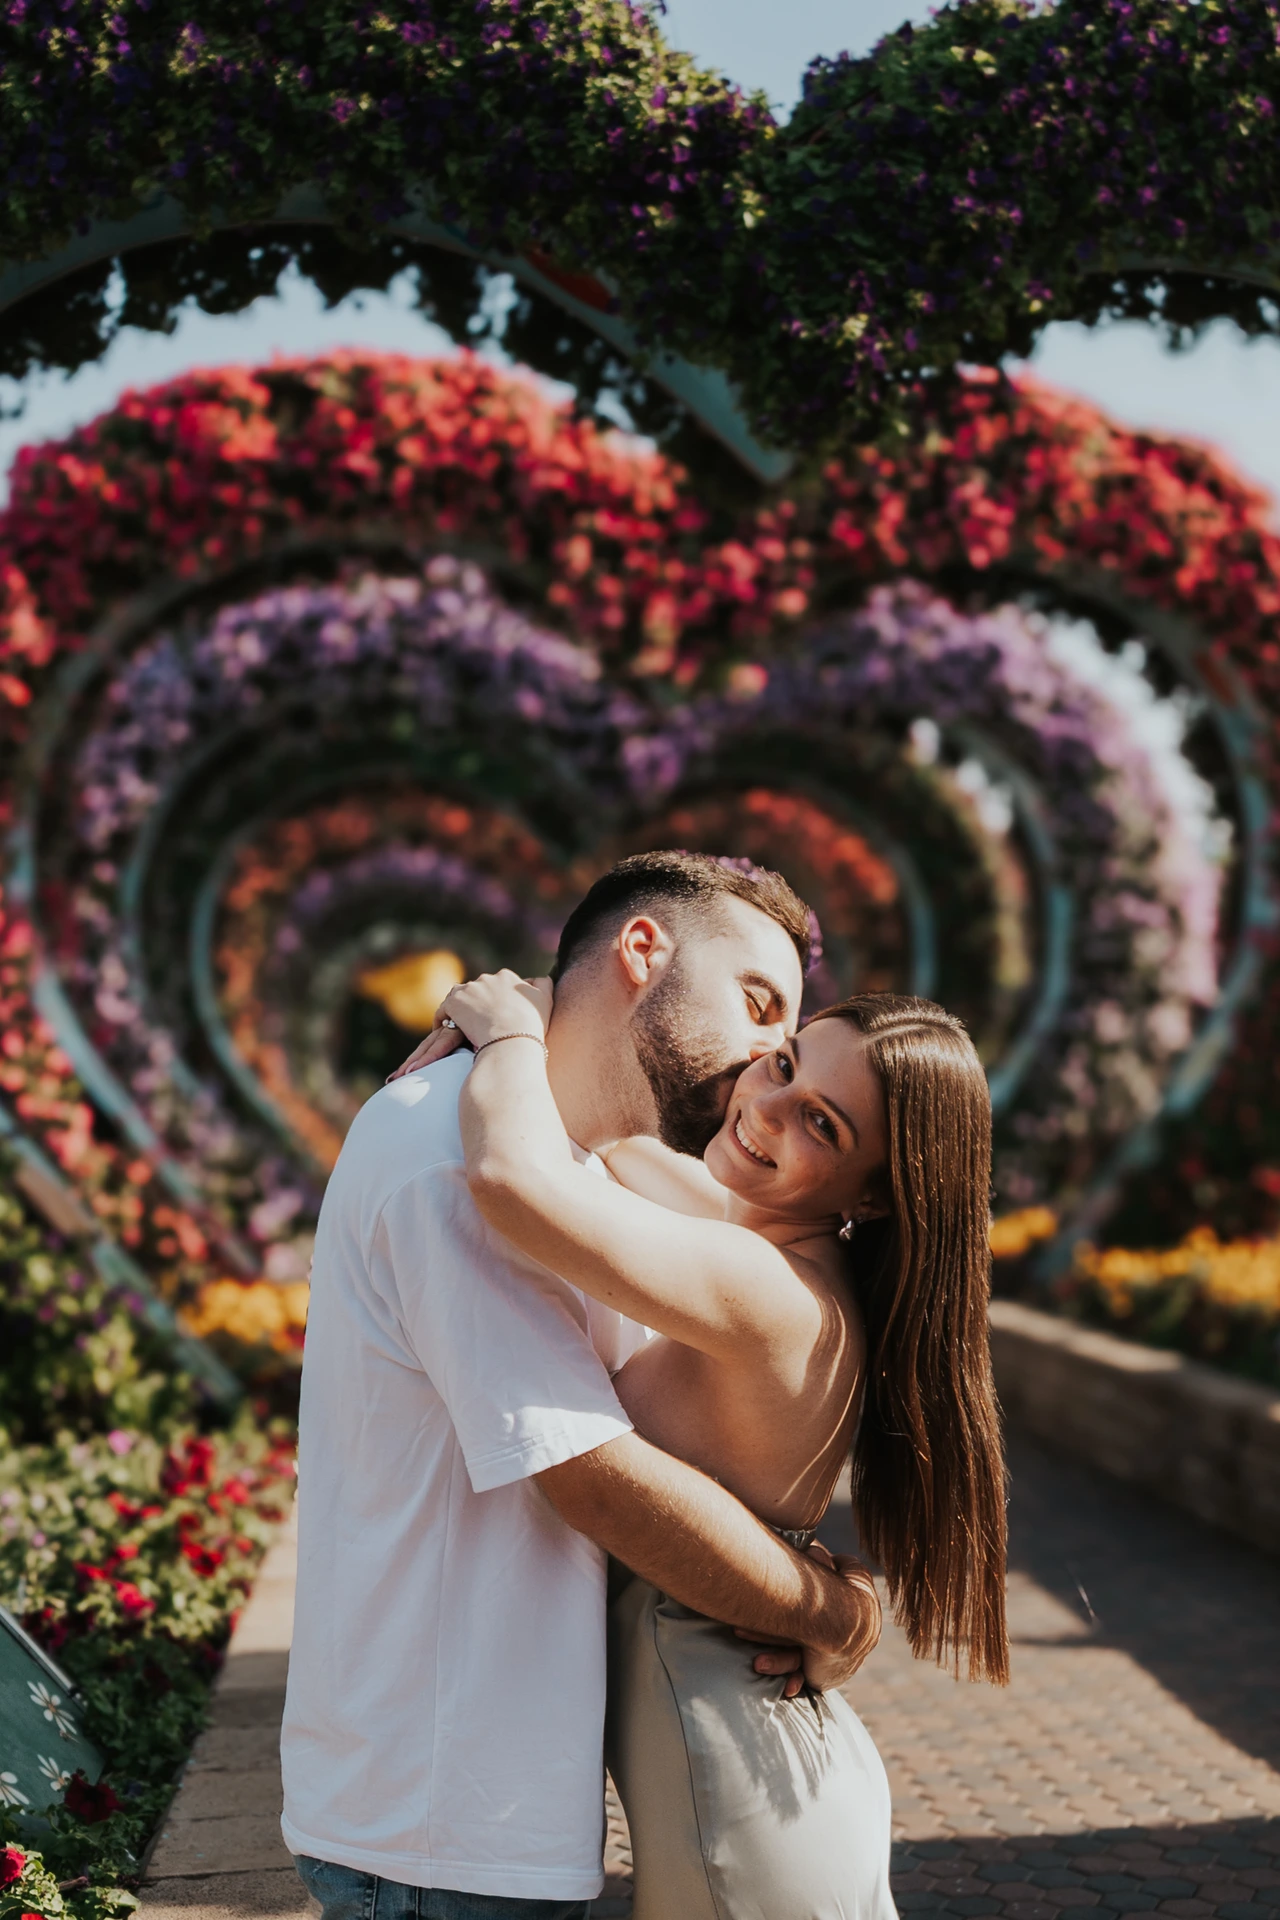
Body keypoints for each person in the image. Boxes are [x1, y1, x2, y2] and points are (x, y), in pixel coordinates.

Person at [281, 852, 884, 1920]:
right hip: (437, 1826)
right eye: (761, 1016)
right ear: (641, 953)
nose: (760, 1069)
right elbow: (588, 1476)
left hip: (488, 1807)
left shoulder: (571, 1166)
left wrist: (507, 1024)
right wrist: (828, 1608)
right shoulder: (454, 1157)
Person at [402, 961, 1010, 1920]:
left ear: (878, 1198)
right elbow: (624, 1148)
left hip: (741, 1806)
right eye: (784, 1067)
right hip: (767, 1768)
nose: (769, 1112)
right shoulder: (766, 1246)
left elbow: (512, 1178)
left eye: (823, 1125)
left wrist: (509, 1034)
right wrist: (562, 1005)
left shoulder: (766, 1288)